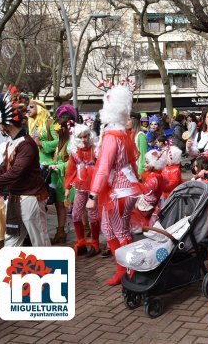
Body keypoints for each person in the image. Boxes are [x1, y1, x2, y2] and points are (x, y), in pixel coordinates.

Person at [0, 87, 50, 289]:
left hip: (30, 198)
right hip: (17, 198)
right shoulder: (15, 142)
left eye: (0, 123)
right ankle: (3, 276)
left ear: (7, 123)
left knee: (39, 240)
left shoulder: (26, 145)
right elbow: (5, 168)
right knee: (12, 239)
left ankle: (47, 277)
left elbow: (14, 174)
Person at [86, 85, 142, 285]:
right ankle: (122, 270)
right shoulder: (122, 135)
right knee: (108, 229)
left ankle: (131, 272)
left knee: (120, 231)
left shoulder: (112, 137)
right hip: (122, 190)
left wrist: (93, 195)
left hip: (119, 192)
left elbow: (103, 168)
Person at [64, 124, 99, 257]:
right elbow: (71, 170)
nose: (84, 139)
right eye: (81, 137)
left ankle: (95, 243)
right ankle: (81, 242)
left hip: (94, 187)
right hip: (80, 186)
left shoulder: (95, 150)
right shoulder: (74, 152)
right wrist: (67, 187)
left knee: (93, 215)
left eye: (86, 136)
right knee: (76, 215)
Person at [49, 105, 77, 244]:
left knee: (77, 209)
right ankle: (60, 231)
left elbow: (74, 162)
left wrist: (57, 166)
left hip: (69, 181)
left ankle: (85, 234)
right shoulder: (59, 143)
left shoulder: (71, 144)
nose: (56, 133)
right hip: (59, 181)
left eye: (58, 131)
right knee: (59, 206)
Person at [135, 149, 167, 226]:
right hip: (156, 202)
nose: (144, 164)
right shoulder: (156, 175)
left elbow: (146, 192)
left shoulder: (153, 177)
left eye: (147, 162)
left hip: (150, 204)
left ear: (154, 164)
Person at [127, 112, 148, 178]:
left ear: (134, 121)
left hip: (137, 174)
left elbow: (143, 157)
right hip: (129, 172)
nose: (125, 122)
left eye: (128, 120)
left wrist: (140, 175)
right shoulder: (129, 135)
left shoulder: (141, 136)